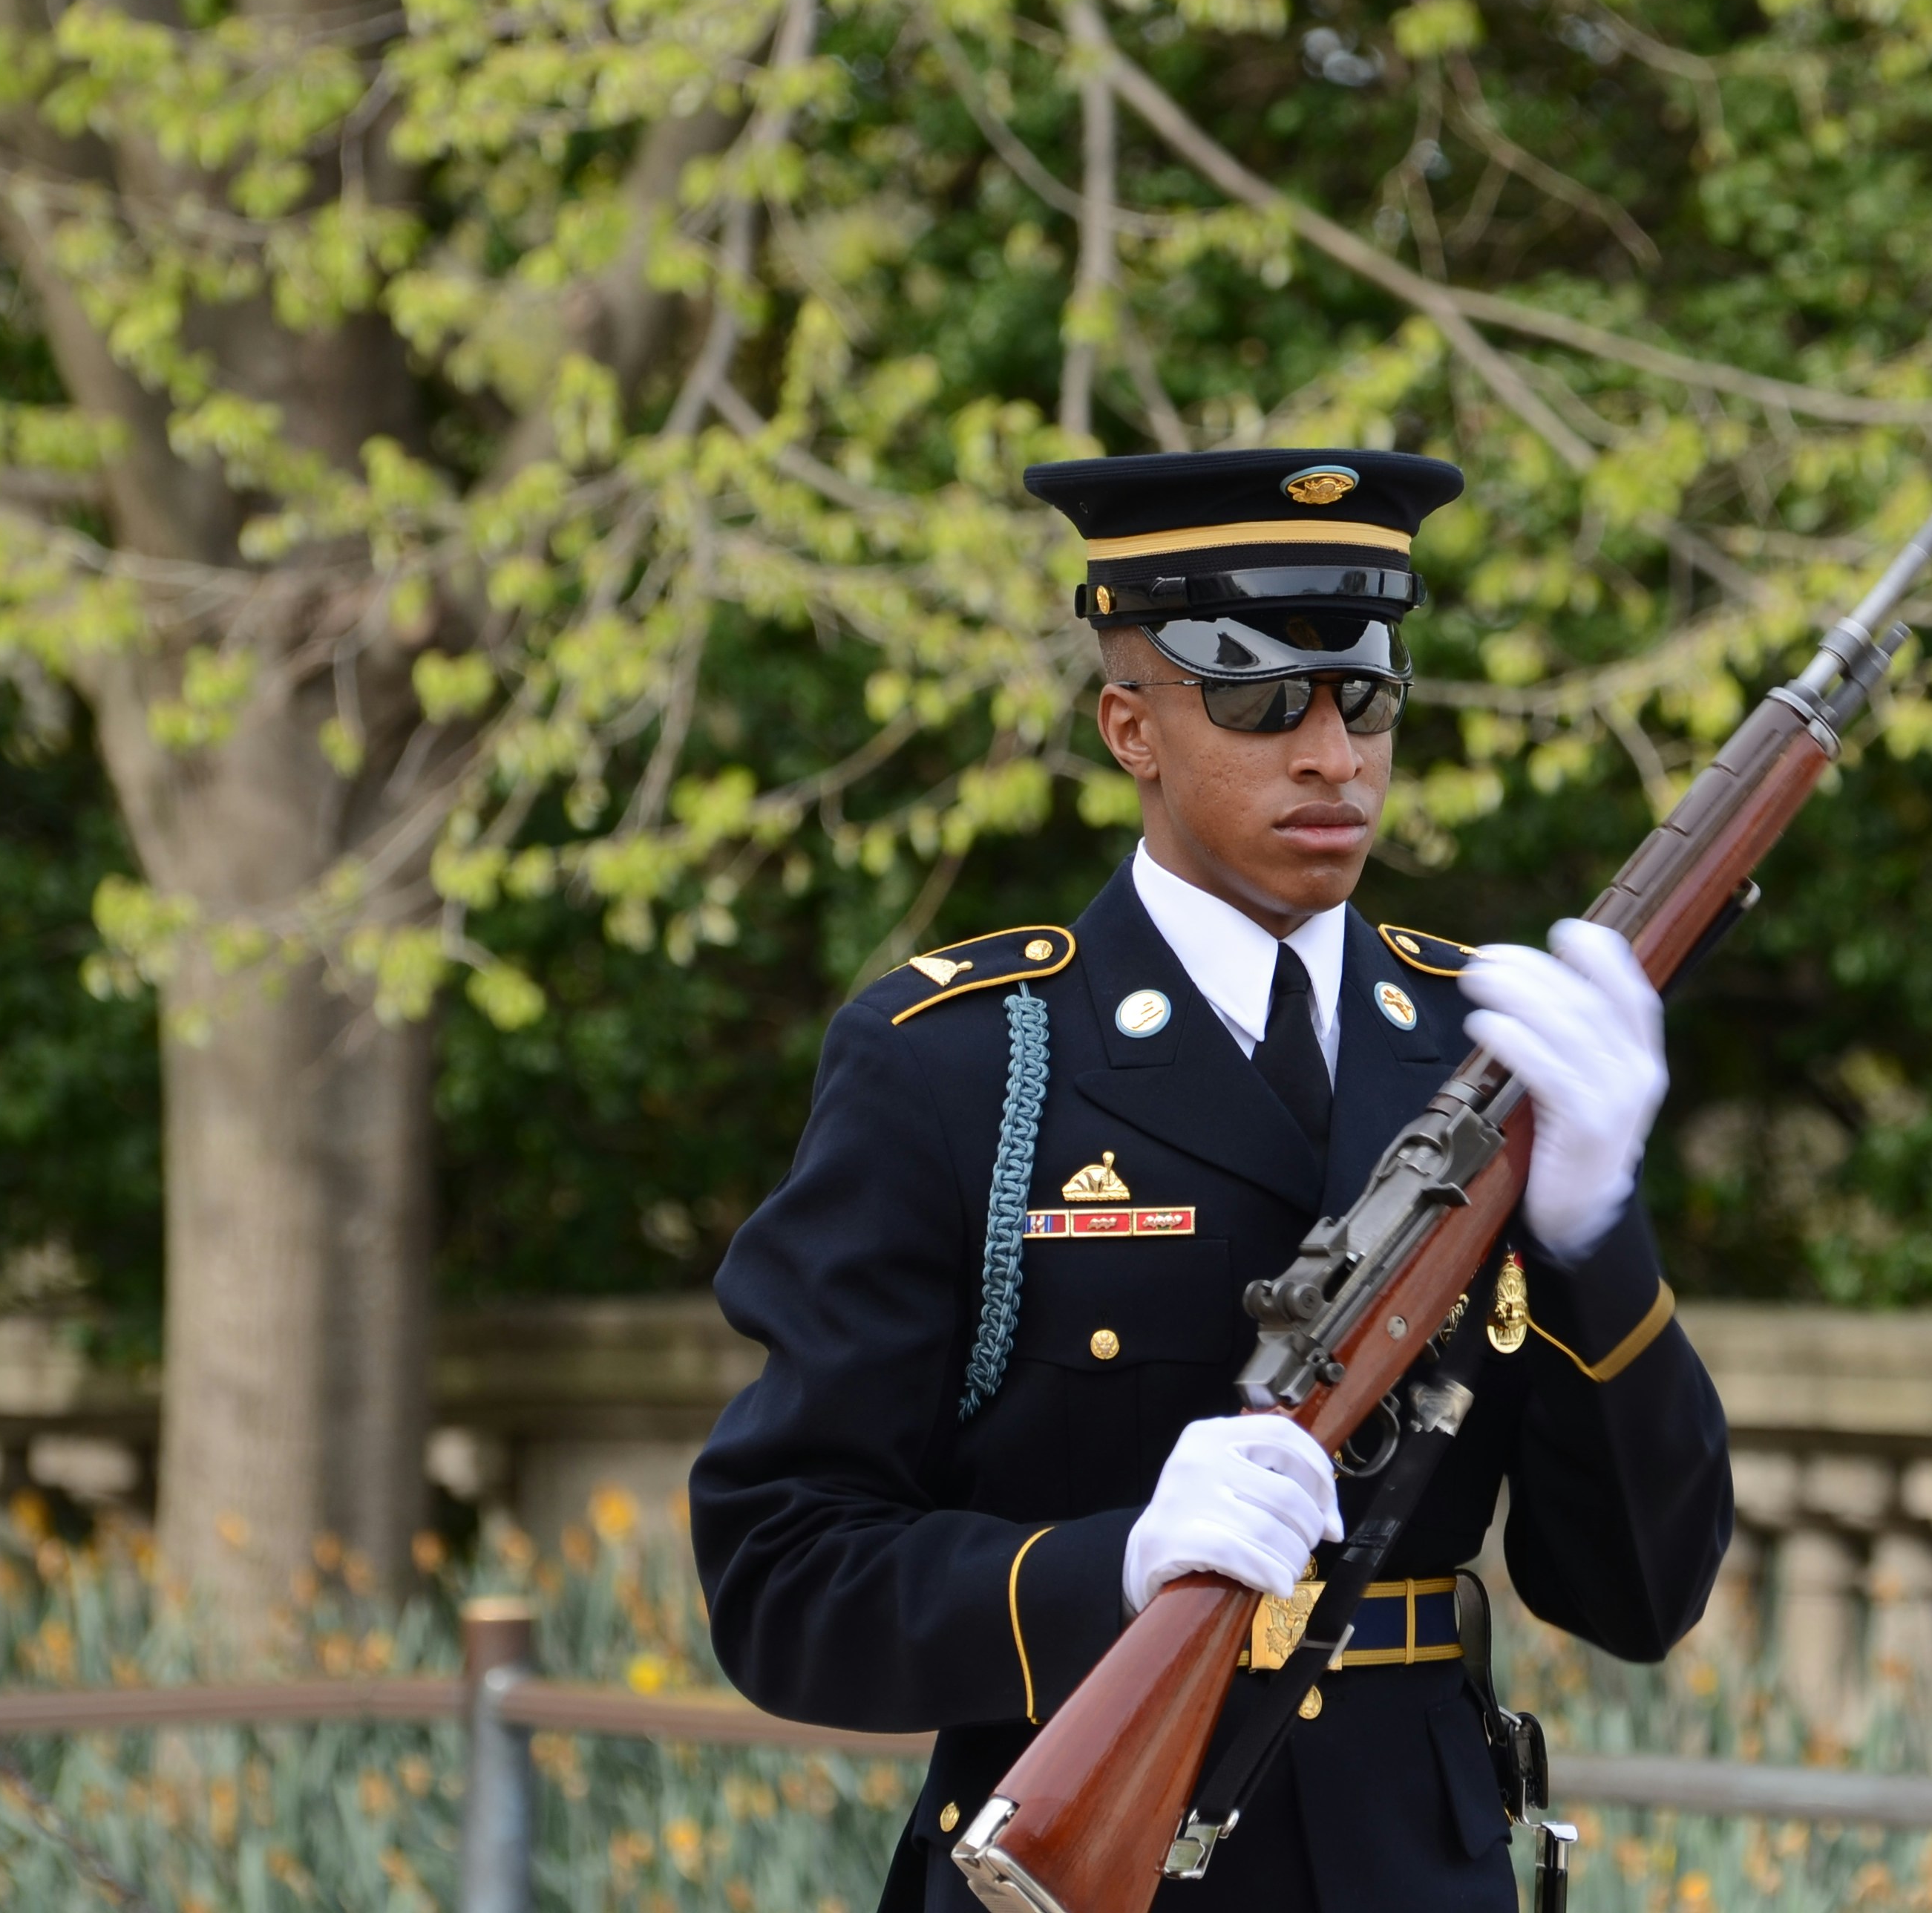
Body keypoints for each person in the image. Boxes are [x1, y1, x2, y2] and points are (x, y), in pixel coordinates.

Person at [692, 448, 1734, 1912]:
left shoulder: (1485, 1057)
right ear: (1132, 726)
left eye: (1365, 695)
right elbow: (782, 1575)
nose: (1331, 754)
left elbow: (1638, 1593)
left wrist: (1593, 1234)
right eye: (1259, 701)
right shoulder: (963, 1065)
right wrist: (1110, 1571)